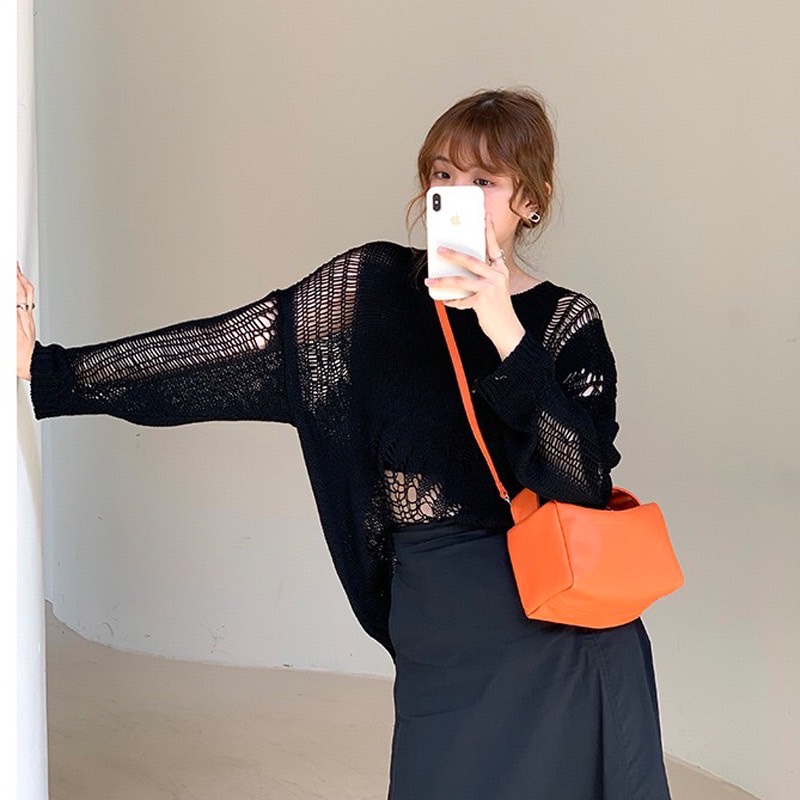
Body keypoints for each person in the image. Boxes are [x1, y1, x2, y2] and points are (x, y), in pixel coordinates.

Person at [16, 87, 672, 799]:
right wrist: (52, 372)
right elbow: (221, 354)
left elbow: (581, 481)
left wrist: (503, 328)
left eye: (485, 180)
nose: (457, 194)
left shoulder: (566, 321)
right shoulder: (371, 294)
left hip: (566, 623)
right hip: (444, 610)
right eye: (444, 174)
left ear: (530, 201)